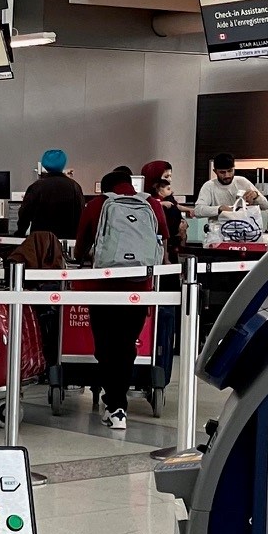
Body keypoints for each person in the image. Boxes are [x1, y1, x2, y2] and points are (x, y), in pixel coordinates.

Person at [75, 166, 170, 431]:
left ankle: (114, 405)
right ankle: (119, 408)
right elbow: (163, 239)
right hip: (140, 287)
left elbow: (81, 245)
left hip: (103, 287)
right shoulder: (152, 204)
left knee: (105, 345)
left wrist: (81, 257)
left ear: (106, 187)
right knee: (126, 345)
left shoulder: (97, 205)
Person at [17, 147, 84, 240]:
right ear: (63, 163)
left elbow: (24, 213)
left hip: (40, 241)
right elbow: (81, 214)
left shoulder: (36, 186)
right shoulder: (74, 187)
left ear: (44, 164)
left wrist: (20, 233)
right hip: (67, 239)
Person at [194, 151, 265, 217]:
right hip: (219, 227)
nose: (227, 175)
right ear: (215, 171)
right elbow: (198, 210)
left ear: (234, 169)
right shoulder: (209, 186)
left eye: (230, 171)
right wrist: (219, 209)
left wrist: (256, 196)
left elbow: (265, 206)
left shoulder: (242, 181)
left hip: (243, 226)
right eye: (222, 172)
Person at [141, 160, 184, 260]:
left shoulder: (168, 197)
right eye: (166, 176)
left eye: (170, 176)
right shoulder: (145, 201)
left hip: (172, 245)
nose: (170, 180)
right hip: (155, 248)